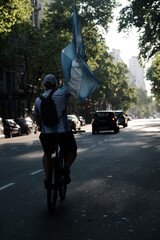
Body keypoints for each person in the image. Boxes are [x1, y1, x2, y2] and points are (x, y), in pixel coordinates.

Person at [35, 74, 77, 187]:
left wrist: (40, 127)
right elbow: (73, 83)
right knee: (72, 151)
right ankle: (66, 168)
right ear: (56, 84)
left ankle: (48, 178)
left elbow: (37, 117)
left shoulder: (38, 100)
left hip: (47, 134)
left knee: (47, 154)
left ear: (44, 85)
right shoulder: (62, 92)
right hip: (63, 132)